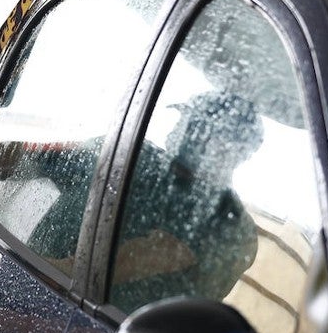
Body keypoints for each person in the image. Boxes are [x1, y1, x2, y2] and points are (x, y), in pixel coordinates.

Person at [108, 90, 263, 313]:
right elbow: (50, 155)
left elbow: (152, 257)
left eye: (192, 125)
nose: (177, 132)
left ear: (232, 151)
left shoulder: (232, 229)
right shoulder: (141, 160)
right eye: (183, 122)